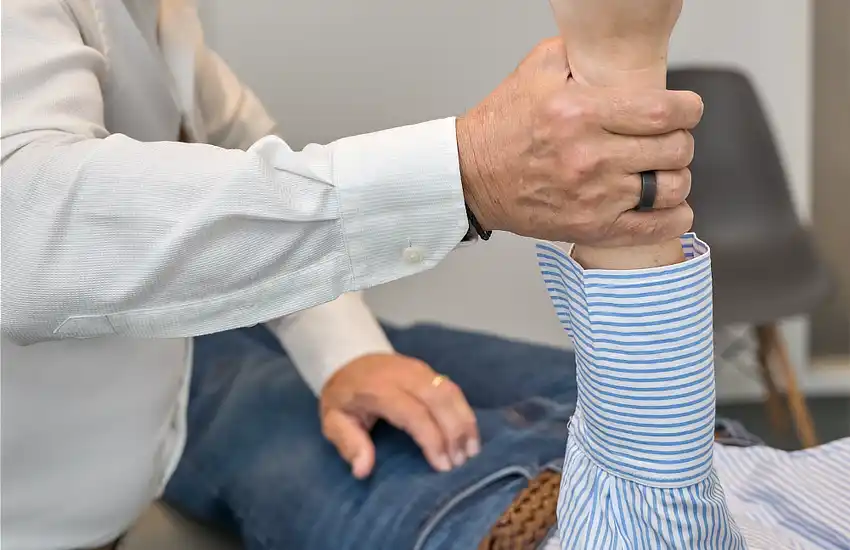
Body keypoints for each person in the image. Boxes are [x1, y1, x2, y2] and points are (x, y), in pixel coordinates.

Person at [1, 0, 705, 548]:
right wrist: (465, 174)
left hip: (134, 428)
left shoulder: (158, 18)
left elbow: (238, 146)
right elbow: (26, 231)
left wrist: (351, 353)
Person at [158, 1, 850, 550]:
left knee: (181, 373)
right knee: (386, 340)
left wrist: (619, 65)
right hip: (710, 455)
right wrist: (354, 351)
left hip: (514, 514)